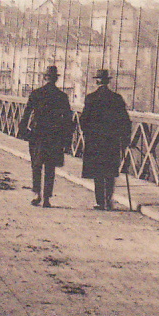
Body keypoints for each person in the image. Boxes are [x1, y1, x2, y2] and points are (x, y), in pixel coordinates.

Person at [17, 65, 72, 209]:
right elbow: (68, 120)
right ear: (56, 79)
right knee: (50, 167)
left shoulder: (36, 94)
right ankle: (47, 197)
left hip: (37, 135)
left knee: (36, 165)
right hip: (54, 136)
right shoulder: (62, 96)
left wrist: (24, 132)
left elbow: (26, 114)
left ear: (44, 78)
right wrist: (67, 139)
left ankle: (37, 194)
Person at [80, 69, 132, 211]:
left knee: (98, 172)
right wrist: (125, 138)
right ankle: (108, 200)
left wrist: (88, 134)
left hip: (95, 141)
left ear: (97, 81)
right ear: (108, 81)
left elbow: (83, 120)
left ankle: (100, 202)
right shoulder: (117, 98)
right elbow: (125, 121)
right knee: (109, 171)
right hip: (111, 141)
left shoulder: (90, 98)